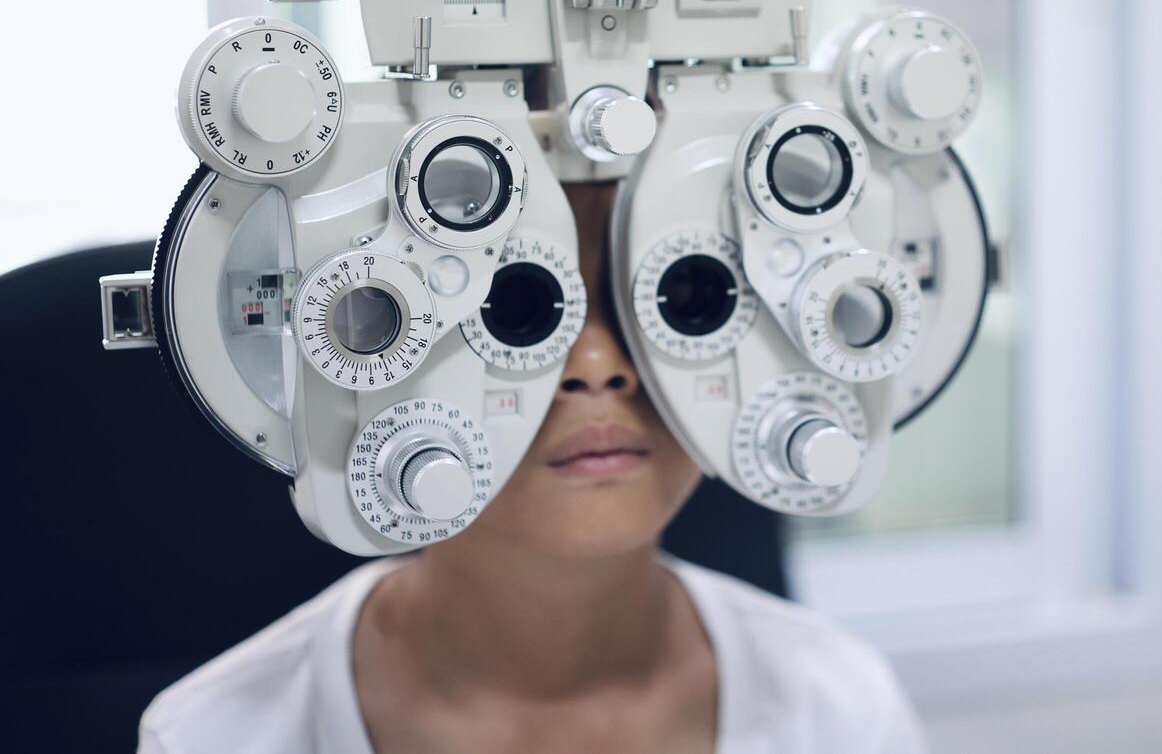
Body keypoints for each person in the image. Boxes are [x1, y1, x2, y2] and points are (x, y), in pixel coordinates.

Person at [137, 183, 927, 754]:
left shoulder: (841, 704)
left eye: (678, 297)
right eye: (514, 307)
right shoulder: (215, 735)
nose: (599, 365)